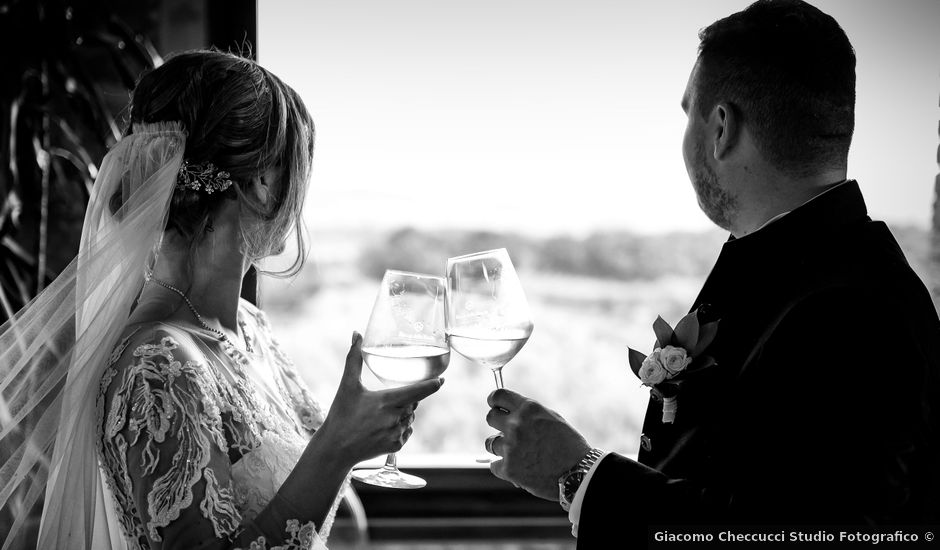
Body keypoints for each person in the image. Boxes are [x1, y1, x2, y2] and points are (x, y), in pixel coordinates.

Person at [483, 1, 940, 546]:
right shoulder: (802, 267)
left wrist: (579, 475)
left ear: (721, 127)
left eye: (687, 115)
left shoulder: (851, 312)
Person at [0, 50, 443, 549]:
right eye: (297, 172)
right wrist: (338, 446)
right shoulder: (156, 362)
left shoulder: (251, 327)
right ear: (261, 183)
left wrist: (360, 432)